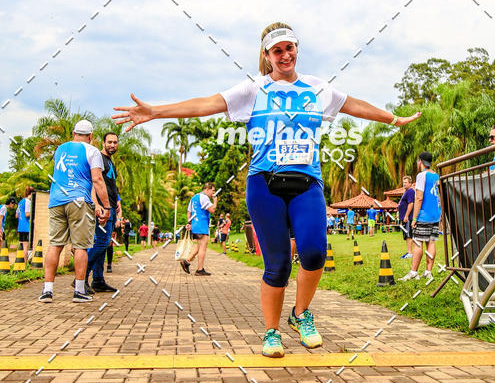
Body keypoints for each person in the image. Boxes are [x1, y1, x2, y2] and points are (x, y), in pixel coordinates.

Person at [113, 22, 420, 357]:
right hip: (264, 184)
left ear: (296, 49)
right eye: (277, 51)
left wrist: (393, 119)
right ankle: (271, 332)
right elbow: (205, 104)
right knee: (278, 264)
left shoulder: (318, 89)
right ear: (267, 55)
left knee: (315, 252)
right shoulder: (253, 89)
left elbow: (354, 105)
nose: (285, 55)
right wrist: (155, 111)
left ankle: (301, 314)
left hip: (308, 184)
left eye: (289, 48)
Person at [38, 119, 109, 303]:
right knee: (80, 247)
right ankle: (79, 291)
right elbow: (98, 180)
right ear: (91, 137)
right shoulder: (92, 151)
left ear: (73, 134)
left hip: (56, 200)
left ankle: (47, 291)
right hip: (79, 202)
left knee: (55, 244)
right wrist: (106, 206)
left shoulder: (60, 149)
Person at [85, 131, 120, 294]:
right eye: (109, 142)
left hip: (111, 207)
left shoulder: (110, 162)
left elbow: (111, 185)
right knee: (102, 242)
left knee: (103, 243)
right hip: (103, 209)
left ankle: (98, 281)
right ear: (103, 143)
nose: (112, 145)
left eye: (115, 142)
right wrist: (97, 204)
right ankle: (81, 277)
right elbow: (94, 183)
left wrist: (118, 202)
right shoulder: (98, 159)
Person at [402, 152, 441, 282]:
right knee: (431, 241)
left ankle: (413, 272)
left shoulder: (421, 175)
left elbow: (418, 198)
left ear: (420, 162)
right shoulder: (436, 175)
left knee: (417, 242)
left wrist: (414, 218)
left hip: (424, 215)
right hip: (435, 214)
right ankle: (428, 272)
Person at [180, 182, 218, 275]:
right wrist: (215, 201)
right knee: (203, 247)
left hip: (195, 224)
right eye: (212, 191)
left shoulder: (194, 197)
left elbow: (189, 211)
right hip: (201, 224)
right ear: (207, 189)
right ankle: (200, 269)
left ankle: (187, 260)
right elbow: (212, 210)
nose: (213, 193)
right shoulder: (204, 198)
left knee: (199, 245)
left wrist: (189, 222)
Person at [0, 197, 17, 268]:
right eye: (13, 204)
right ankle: (3, 264)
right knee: (3, 246)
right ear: (10, 203)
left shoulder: (0, 206)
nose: (14, 206)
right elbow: (0, 220)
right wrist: (1, 231)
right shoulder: (4, 208)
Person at [398, 175, 415, 260]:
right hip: (404, 217)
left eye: (405, 182)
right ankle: (409, 251)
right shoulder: (406, 191)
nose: (404, 184)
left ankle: (410, 253)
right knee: (406, 235)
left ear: (410, 183)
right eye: (403, 182)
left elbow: (411, 203)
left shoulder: (410, 191)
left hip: (408, 217)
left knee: (409, 235)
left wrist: (406, 216)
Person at [16, 187, 33, 264]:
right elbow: (27, 214)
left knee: (20, 246)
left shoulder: (20, 202)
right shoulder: (28, 201)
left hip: (20, 226)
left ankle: (18, 262)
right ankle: (24, 263)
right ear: (32, 193)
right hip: (26, 227)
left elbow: (16, 215)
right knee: (25, 246)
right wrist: (34, 213)